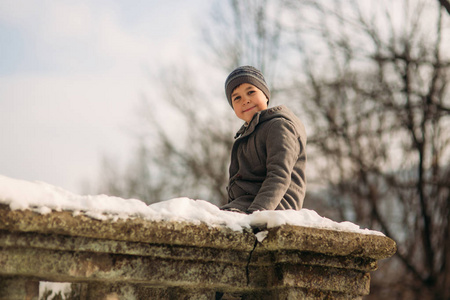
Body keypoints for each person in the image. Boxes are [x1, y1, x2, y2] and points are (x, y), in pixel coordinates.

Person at [221, 66, 307, 214]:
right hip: (248, 204)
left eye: (251, 92)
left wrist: (256, 214)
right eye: (237, 98)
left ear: (266, 95)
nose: (245, 100)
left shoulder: (279, 126)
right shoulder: (248, 134)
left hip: (276, 206)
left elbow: (279, 176)